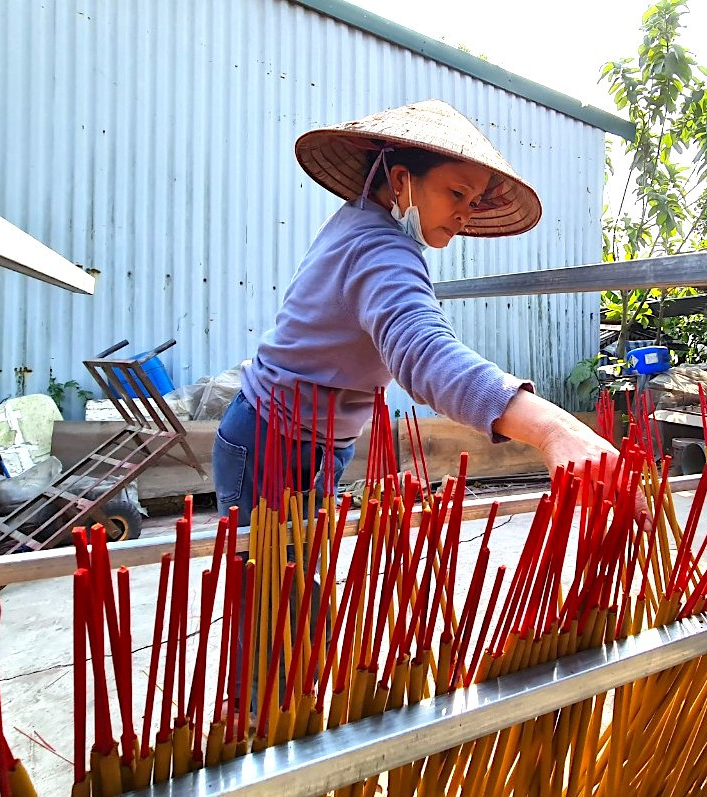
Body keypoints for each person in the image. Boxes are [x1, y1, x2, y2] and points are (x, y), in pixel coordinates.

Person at [213, 99, 631, 521]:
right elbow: (423, 351)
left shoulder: (364, 225)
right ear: (400, 179)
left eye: (474, 200)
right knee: (272, 582)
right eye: (456, 192)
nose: (465, 212)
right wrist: (553, 428)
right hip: (272, 439)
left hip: (311, 440)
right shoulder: (377, 246)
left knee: (292, 578)